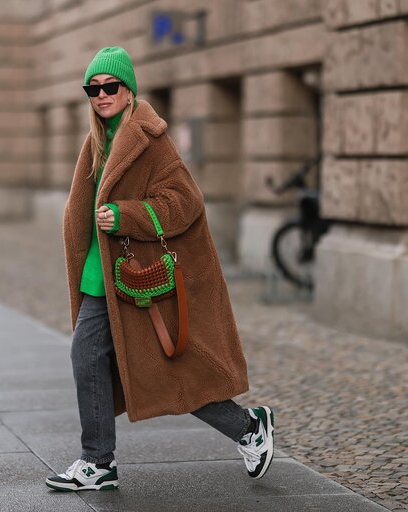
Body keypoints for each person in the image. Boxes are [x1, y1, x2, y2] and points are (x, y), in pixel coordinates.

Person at [45, 46, 274, 492]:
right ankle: (99, 461)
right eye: (93, 88)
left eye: (111, 87)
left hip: (139, 280)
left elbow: (186, 203)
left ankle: (248, 427)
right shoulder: (97, 142)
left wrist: (127, 215)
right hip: (102, 278)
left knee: (169, 373)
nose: (101, 94)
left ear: (129, 92)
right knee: (87, 357)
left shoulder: (151, 141)